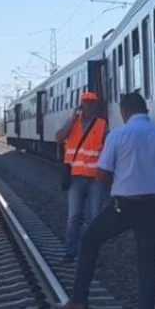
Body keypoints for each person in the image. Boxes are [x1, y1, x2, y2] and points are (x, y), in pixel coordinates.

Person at [54, 92, 155, 309]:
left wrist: (125, 174)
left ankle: (79, 299)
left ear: (124, 111)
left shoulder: (118, 135)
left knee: (89, 240)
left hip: (125, 207)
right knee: (147, 266)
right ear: (145, 109)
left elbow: (101, 176)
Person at [52, 90, 108, 267]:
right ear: (81, 104)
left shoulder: (101, 125)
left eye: (91, 103)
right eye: (85, 102)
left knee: (95, 217)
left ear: (96, 105)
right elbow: (59, 138)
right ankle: (70, 252)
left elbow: (108, 148)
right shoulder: (72, 123)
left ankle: (92, 254)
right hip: (76, 177)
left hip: (96, 178)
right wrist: (71, 121)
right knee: (73, 217)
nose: (88, 106)